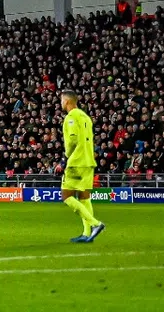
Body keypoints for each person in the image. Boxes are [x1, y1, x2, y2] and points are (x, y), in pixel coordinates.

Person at [60, 90, 105, 243]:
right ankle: (87, 234)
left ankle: (95, 224)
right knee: (84, 196)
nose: (61, 103)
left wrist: (66, 157)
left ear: (67, 101)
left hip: (76, 161)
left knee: (66, 196)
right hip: (89, 161)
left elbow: (72, 139)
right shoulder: (86, 117)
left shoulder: (70, 117)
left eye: (62, 100)